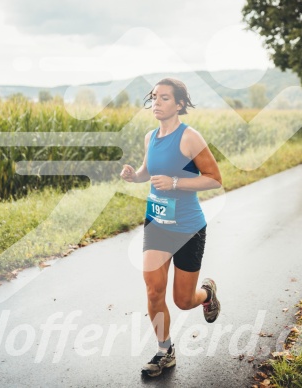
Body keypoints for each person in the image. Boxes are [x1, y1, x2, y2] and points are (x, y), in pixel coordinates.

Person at [120, 78, 222, 377]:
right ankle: (165, 351)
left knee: (183, 300)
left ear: (179, 104)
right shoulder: (150, 137)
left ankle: (208, 293)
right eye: (154, 97)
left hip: (189, 228)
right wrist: (133, 176)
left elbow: (214, 178)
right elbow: (147, 173)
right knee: (153, 291)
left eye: (164, 98)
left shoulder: (190, 137)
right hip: (157, 224)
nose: (156, 103)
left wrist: (176, 182)